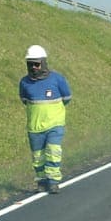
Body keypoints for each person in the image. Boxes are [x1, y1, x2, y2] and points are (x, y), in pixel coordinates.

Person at [18, 45, 73, 194]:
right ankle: (41, 180)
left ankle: (53, 181)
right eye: (30, 64)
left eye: (37, 64)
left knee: (53, 151)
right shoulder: (24, 82)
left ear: (43, 63)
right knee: (38, 156)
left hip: (55, 124)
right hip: (34, 127)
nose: (34, 67)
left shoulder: (57, 79)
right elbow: (24, 99)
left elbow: (67, 97)